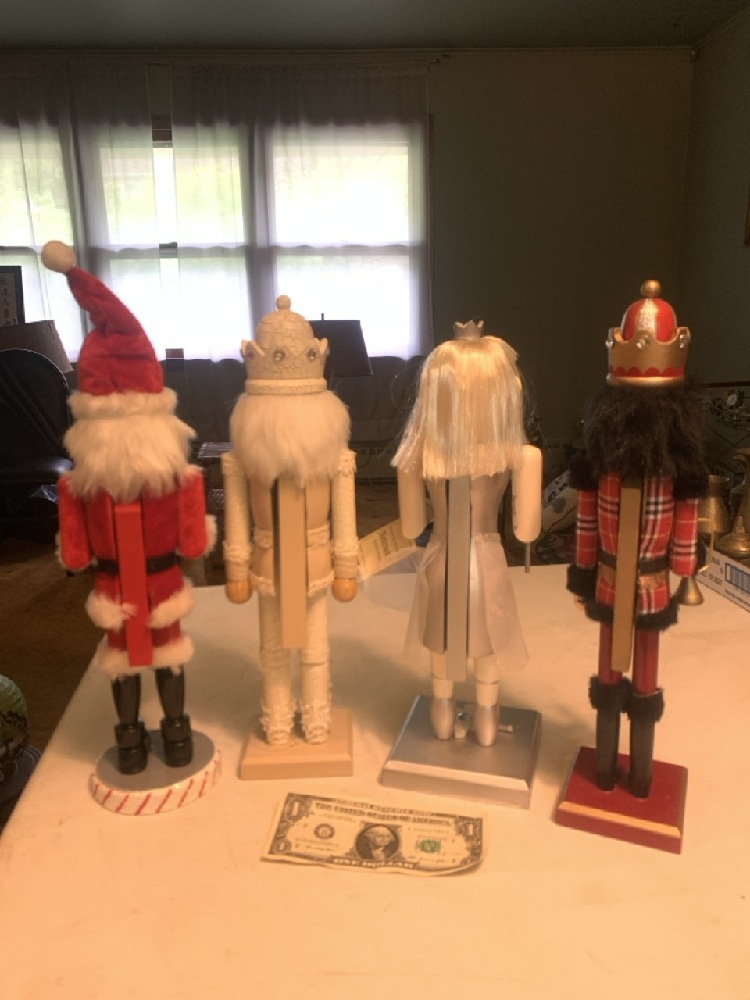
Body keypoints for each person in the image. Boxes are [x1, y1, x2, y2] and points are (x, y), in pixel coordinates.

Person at [43, 240, 215, 774]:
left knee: (128, 657)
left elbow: (75, 554)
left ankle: (135, 742)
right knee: (160, 652)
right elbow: (194, 542)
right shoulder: (179, 480)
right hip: (150, 582)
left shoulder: (80, 485)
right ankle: (170, 735)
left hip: (122, 584)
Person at [566, 281, 707, 797]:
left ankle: (642, 776)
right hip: (610, 576)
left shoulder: (678, 465)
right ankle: (604, 771)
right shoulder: (600, 457)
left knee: (645, 674)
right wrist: (584, 571)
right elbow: (586, 516)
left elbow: (686, 516)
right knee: (609, 672)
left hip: (648, 583)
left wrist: (684, 571)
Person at [392, 320, 541, 746]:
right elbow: (526, 531)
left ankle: (442, 717)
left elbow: (411, 527)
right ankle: (487, 718)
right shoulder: (521, 454)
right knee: (488, 644)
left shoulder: (416, 454)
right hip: (487, 559)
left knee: (441, 648)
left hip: (440, 560)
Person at [222, 296, 358, 746]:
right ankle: (278, 719)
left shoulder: (333, 454)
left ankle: (316, 717)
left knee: (316, 648)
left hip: (315, 558)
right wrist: (237, 567)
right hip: (268, 557)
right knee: (273, 647)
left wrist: (346, 565)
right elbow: (237, 510)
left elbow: (344, 511)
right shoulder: (244, 455)